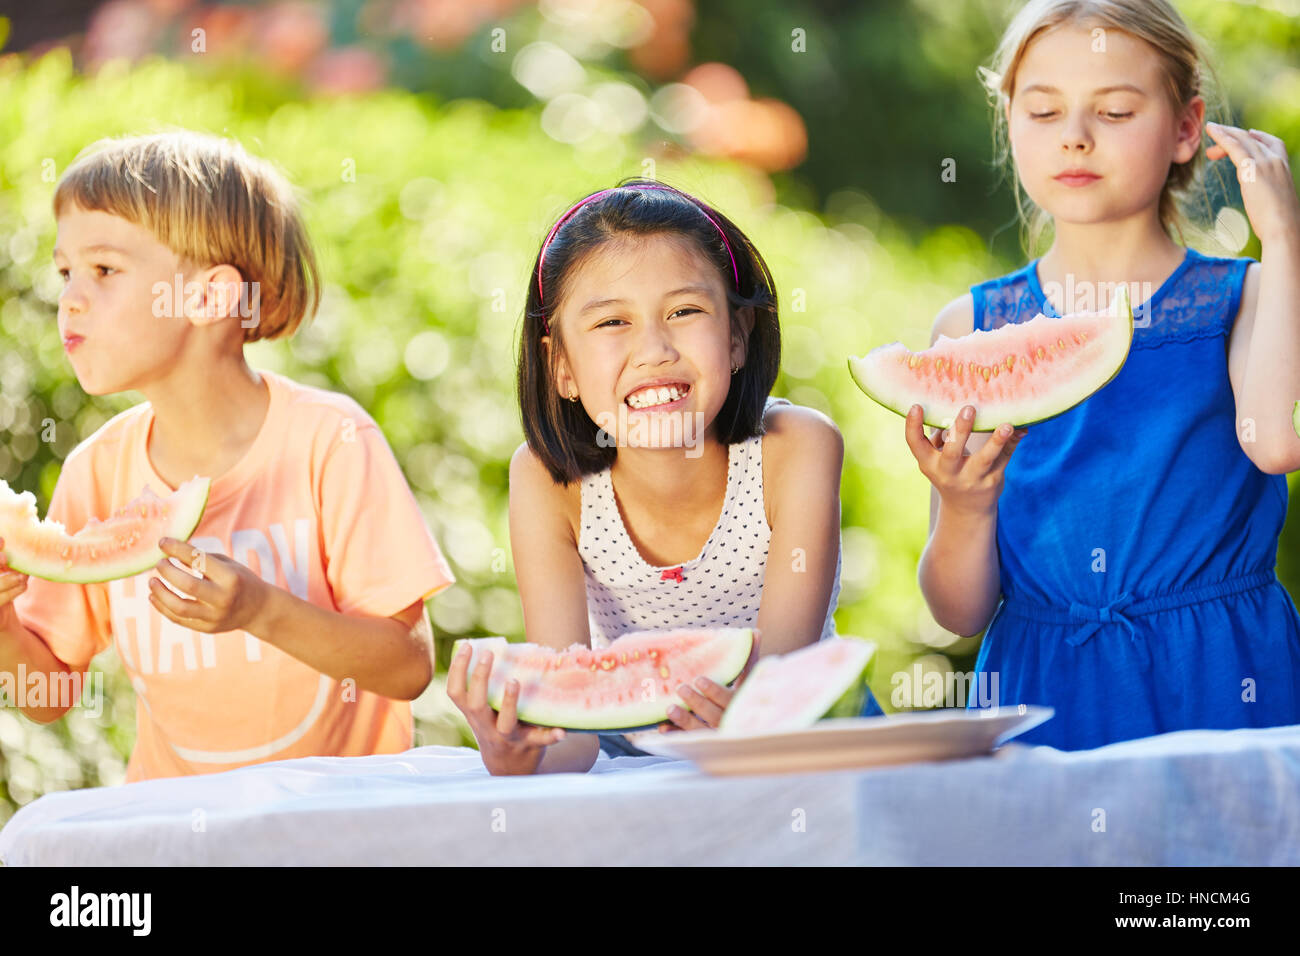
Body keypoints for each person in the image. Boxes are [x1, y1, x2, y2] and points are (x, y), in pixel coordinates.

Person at [0, 130, 456, 781]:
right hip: (184, 840)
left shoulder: (330, 440)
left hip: (340, 832)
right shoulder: (97, 471)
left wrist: (260, 610)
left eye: (104, 270)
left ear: (211, 297)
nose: (69, 298)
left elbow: (408, 666)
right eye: (65, 271)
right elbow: (48, 694)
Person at [910, 0, 1300, 749]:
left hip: (1222, 672)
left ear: (1187, 128)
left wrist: (1281, 236)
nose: (1075, 138)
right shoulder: (968, 329)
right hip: (1045, 683)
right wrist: (963, 505)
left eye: (1115, 111)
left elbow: (1275, 444)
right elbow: (957, 612)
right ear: (1011, 124)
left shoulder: (1243, 296)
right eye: (1044, 111)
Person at [449, 180, 884, 774]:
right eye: (610, 323)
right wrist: (515, 748)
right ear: (561, 367)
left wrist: (744, 721)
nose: (653, 349)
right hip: (633, 763)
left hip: (807, 747)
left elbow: (779, 698)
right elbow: (572, 738)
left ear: (735, 337)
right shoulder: (548, 482)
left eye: (684, 311)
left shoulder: (797, 449)